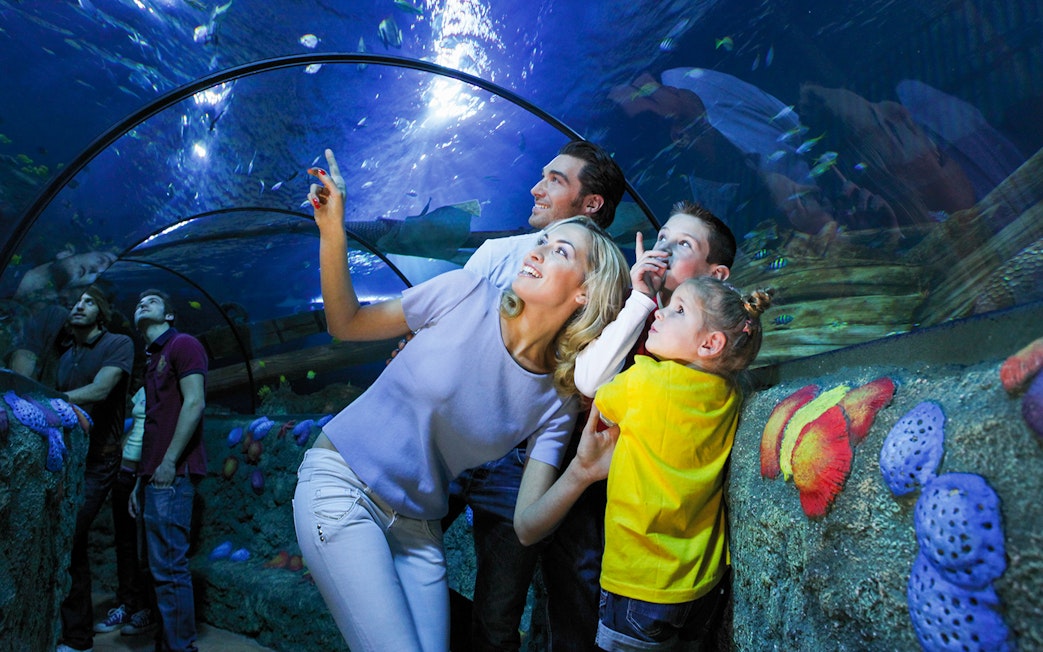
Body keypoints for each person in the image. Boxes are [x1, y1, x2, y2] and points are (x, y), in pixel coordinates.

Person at [292, 149, 629, 652]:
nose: (535, 250)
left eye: (560, 252)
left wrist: (582, 471)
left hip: (417, 529)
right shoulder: (464, 290)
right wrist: (332, 227)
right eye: (542, 242)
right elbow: (346, 324)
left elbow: (526, 524)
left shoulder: (557, 397)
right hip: (342, 484)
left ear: (585, 293)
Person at [516, 276, 773, 650]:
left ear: (710, 343)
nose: (662, 311)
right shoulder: (729, 393)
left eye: (679, 310)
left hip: (639, 583)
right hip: (701, 582)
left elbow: (593, 388)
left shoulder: (644, 382)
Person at [447, 139, 626, 651]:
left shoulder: (609, 286)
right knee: (391, 554)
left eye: (555, 178)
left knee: (498, 615)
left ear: (592, 203)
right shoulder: (498, 254)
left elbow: (588, 381)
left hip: (528, 458)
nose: (536, 186)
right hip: (455, 437)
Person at [534, 200, 737, 651]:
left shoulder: (712, 350)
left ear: (716, 274)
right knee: (576, 602)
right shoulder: (632, 309)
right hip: (596, 484)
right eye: (662, 235)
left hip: (659, 538)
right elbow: (588, 378)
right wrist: (640, 298)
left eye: (681, 244)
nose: (662, 247)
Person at [54, 286, 135, 652]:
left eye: (88, 301)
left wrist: (48, 399)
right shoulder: (66, 355)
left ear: (100, 311)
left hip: (100, 459)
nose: (79, 306)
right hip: (67, 460)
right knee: (72, 543)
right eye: (75, 302)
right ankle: (75, 633)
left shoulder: (118, 344)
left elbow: (101, 390)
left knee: (70, 535)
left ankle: (77, 637)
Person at [129, 289, 208, 652]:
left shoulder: (183, 344)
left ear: (170, 315)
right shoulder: (151, 358)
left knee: (170, 568)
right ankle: (169, 643)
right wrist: (139, 482)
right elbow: (153, 423)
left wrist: (169, 462)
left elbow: (194, 403)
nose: (143, 303)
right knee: (157, 567)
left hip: (172, 475)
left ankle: (181, 648)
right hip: (154, 476)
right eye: (139, 302)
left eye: (154, 300)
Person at [93, 385, 157, 638]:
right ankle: (127, 604)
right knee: (125, 542)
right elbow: (138, 425)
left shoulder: (170, 382)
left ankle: (146, 608)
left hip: (145, 473)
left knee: (146, 546)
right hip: (125, 472)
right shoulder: (144, 388)